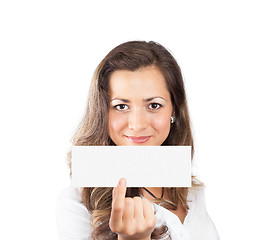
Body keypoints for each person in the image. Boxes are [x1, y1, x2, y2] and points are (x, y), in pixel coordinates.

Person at [56, 41, 220, 240]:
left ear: (174, 109)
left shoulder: (192, 191)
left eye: (153, 105)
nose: (137, 125)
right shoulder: (77, 204)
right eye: (121, 106)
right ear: (102, 112)